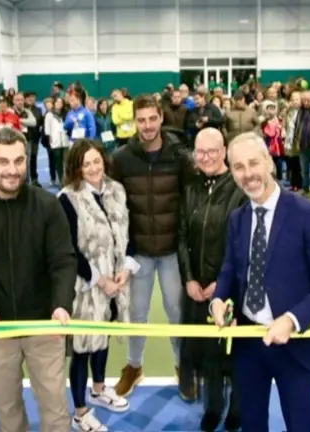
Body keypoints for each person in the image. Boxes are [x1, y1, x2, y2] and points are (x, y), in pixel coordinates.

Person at [210, 132, 310, 432]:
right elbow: (229, 270)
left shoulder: (309, 215)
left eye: (253, 163)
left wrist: (292, 320)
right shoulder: (237, 218)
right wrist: (218, 300)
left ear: (269, 162)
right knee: (252, 423)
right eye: (238, 167)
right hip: (248, 342)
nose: (248, 174)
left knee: (300, 424)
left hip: (295, 343)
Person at [0, 127, 76, 432]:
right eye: (3, 162)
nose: (12, 170)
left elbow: (63, 261)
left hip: (45, 325)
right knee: (7, 409)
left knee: (55, 407)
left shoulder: (48, 205)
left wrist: (60, 304)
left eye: (19, 161)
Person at [109, 94, 195, 399]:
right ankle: (134, 367)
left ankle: (182, 367)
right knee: (137, 313)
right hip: (138, 253)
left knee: (176, 312)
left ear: (161, 118)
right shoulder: (121, 159)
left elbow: (190, 200)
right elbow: (114, 205)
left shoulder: (180, 156)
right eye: (141, 120)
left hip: (172, 250)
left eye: (152, 119)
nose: (147, 126)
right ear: (134, 121)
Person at [58, 139, 136, 431]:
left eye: (96, 161)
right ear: (76, 168)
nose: (92, 168)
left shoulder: (116, 190)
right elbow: (68, 249)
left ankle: (99, 389)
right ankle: (80, 412)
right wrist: (100, 280)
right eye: (85, 164)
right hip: (86, 288)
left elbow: (127, 234)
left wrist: (125, 269)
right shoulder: (67, 199)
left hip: (116, 285)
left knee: (103, 337)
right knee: (82, 349)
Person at [177, 129, 245, 432]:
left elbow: (241, 244)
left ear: (224, 151)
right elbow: (181, 236)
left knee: (235, 350)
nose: (205, 158)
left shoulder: (239, 190)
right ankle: (213, 406)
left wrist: (223, 283)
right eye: (200, 152)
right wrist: (189, 279)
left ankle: (238, 408)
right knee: (208, 352)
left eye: (212, 151)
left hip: (229, 287)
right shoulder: (190, 188)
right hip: (197, 288)